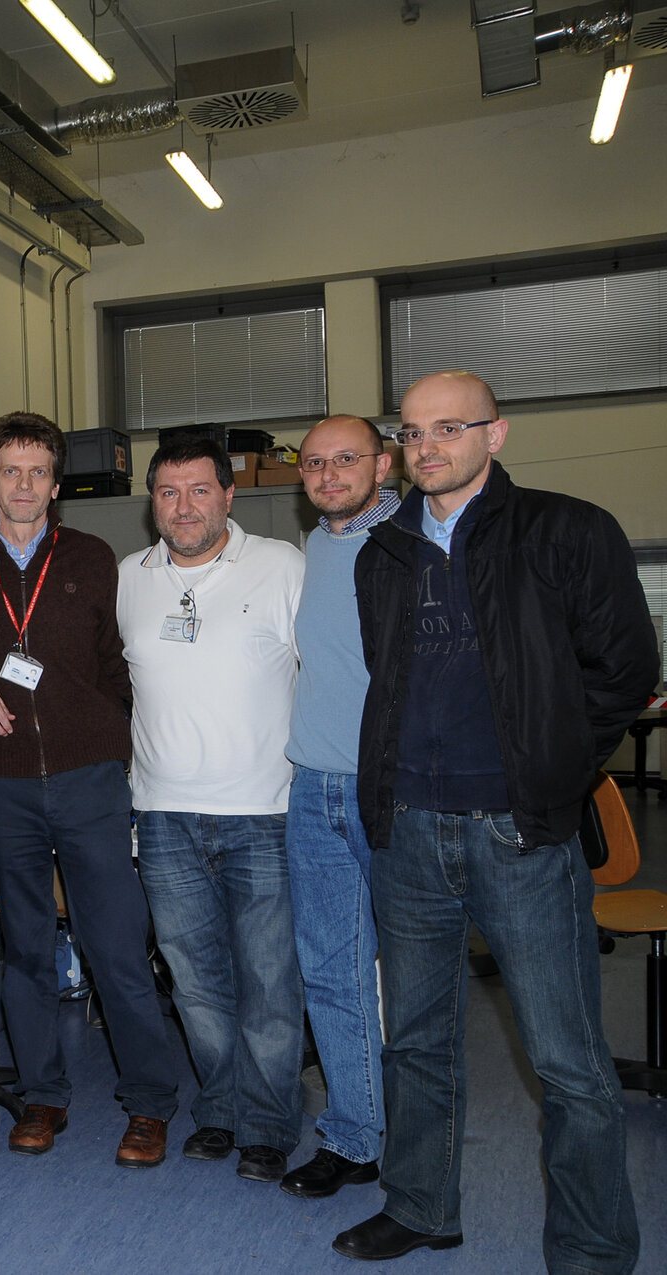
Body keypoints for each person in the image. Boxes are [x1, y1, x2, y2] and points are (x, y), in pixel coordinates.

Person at [335, 371, 655, 1269]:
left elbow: (625, 669)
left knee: (568, 1062)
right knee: (419, 1043)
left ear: (496, 434)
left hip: (519, 832)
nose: (427, 446)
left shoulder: (568, 528)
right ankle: (421, 1205)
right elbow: (388, 680)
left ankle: (592, 1249)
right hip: (408, 833)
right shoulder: (382, 553)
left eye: (450, 427)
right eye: (412, 431)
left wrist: (545, 769)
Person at [0, 413, 176, 1170]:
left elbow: (118, 664)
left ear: (56, 483)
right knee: (29, 946)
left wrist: (107, 740)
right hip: (2, 782)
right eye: (10, 470)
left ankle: (148, 1102)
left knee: (117, 946)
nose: (24, 485)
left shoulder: (95, 558)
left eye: (39, 470)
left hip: (88, 779)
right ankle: (43, 1092)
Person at [116, 435, 306, 1184]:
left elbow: (325, 674)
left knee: (269, 981)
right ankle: (221, 1109)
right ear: (152, 504)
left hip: (264, 813)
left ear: (229, 496)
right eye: (168, 491)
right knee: (194, 981)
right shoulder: (130, 577)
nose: (184, 505)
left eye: (199, 489)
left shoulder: (282, 566)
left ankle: (268, 1121)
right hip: (162, 817)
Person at [277, 414, 397, 1202]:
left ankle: (420, 1138)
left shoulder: (417, 543)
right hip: (313, 788)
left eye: (345, 459)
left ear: (383, 464)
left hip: (395, 791)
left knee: (416, 976)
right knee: (330, 972)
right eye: (314, 462)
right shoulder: (312, 550)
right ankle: (353, 1136)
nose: (327, 473)